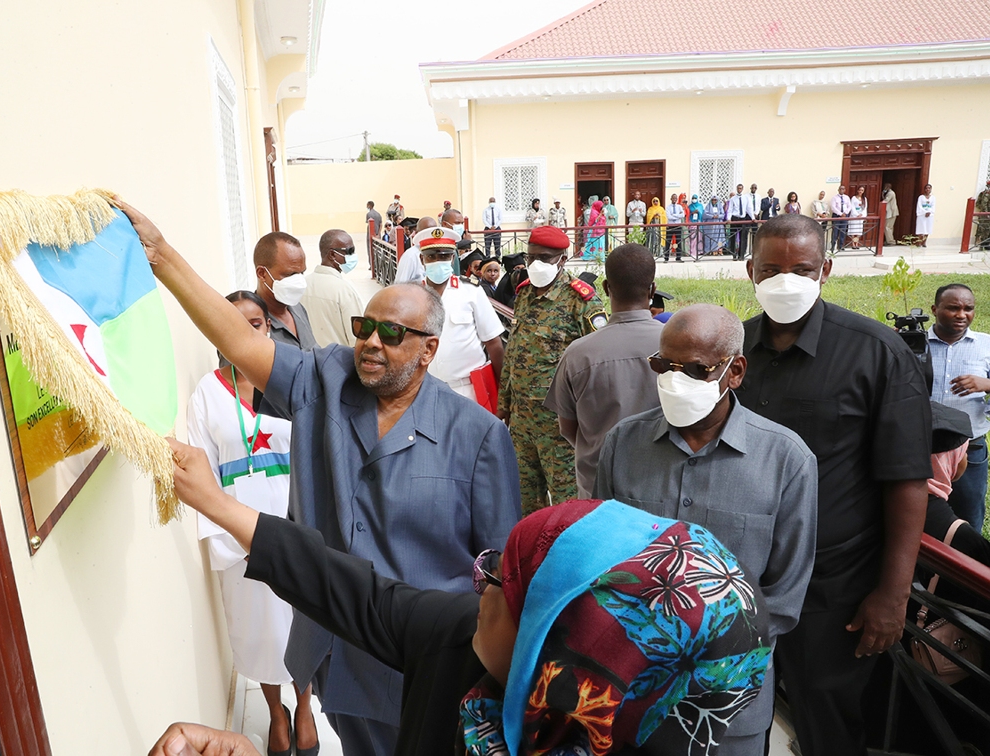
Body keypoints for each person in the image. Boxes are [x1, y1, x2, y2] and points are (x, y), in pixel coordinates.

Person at [115, 199, 522, 756]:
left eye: (391, 334)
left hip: (421, 671)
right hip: (334, 653)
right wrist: (160, 256)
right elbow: (239, 342)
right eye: (365, 327)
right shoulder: (325, 378)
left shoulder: (477, 438)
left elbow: (500, 581)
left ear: (429, 350)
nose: (371, 343)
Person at [154, 460, 774, 756]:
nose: (478, 584)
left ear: (560, 645)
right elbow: (360, 594)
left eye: (501, 578)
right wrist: (217, 503)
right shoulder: (460, 642)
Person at [735, 213, 932, 756]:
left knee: (827, 712)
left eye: (801, 269)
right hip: (745, 575)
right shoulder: (735, 352)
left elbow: (907, 481)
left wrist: (892, 596)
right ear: (750, 270)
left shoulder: (876, 352)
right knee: (751, 703)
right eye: (771, 269)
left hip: (834, 582)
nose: (785, 281)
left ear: (825, 270)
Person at [596, 304, 818, 756]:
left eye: (696, 370)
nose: (675, 380)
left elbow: (784, 595)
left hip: (730, 707)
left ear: (735, 372)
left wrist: (712, 659)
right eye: (664, 366)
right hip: (630, 694)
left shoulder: (786, 461)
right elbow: (601, 561)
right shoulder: (622, 444)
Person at [187, 290, 318, 756]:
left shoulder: (296, 382)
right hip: (239, 534)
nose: (246, 332)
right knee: (259, 632)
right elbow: (201, 471)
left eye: (256, 324)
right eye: (234, 323)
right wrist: (230, 539)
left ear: (269, 329)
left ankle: (304, 708)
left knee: (301, 622)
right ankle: (275, 714)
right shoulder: (206, 392)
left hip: (296, 526)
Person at [499, 225, 604, 514]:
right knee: (525, 500)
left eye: (545, 258)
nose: (536, 264)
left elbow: (596, 360)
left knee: (567, 503)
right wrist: (503, 404)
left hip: (559, 424)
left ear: (563, 259)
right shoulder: (523, 294)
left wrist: (587, 417)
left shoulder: (580, 300)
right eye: (531, 257)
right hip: (522, 422)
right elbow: (514, 352)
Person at [544, 243, 662, 498]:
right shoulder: (675, 346)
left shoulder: (578, 353)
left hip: (598, 490)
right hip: (661, 488)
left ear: (607, 287)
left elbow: (568, 428)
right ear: (652, 289)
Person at [416, 227, 505, 406]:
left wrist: (503, 394)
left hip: (468, 390)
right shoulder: (412, 295)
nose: (437, 261)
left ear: (453, 258)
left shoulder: (471, 291)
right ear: (422, 259)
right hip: (423, 390)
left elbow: (494, 343)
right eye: (431, 256)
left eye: (444, 256)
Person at [928, 283, 990, 529]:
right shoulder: (914, 343)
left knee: (969, 517)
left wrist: (986, 383)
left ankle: (967, 566)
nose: (962, 315)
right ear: (935, 309)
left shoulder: (986, 345)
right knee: (922, 516)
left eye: (968, 309)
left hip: (970, 448)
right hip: (923, 448)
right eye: (953, 308)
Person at [253, 232, 317, 352]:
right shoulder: (250, 325)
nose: (298, 282)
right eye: (290, 274)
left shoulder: (298, 309)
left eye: (301, 273)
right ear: (262, 273)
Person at [301, 229, 365, 348]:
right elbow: (357, 338)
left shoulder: (303, 285)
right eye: (350, 251)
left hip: (308, 360)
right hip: (338, 362)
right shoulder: (344, 290)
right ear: (332, 254)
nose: (353, 256)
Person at [393, 216, 436, 284]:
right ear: (417, 233)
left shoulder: (440, 254)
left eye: (433, 232)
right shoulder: (410, 256)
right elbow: (400, 286)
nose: (431, 235)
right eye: (426, 232)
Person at [726, 184, 751, 261]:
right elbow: (730, 209)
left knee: (742, 237)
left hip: (742, 218)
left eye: (740, 188)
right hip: (734, 218)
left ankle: (741, 255)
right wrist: (729, 218)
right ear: (737, 189)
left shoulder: (745, 198)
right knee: (733, 236)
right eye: (738, 188)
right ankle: (734, 255)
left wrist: (753, 217)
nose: (739, 190)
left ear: (742, 189)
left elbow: (748, 208)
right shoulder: (733, 199)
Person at [830, 185, 852, 252]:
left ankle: (840, 246)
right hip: (837, 216)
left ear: (845, 190)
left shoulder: (847, 197)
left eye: (843, 189)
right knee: (835, 232)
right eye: (840, 189)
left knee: (843, 232)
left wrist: (845, 213)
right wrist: (840, 214)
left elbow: (849, 206)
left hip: (845, 216)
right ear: (838, 190)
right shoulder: (834, 198)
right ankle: (833, 246)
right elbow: (833, 207)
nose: (842, 190)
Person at [665, 193, 685, 262]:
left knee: (678, 242)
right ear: (671, 199)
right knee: (668, 242)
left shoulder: (679, 207)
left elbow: (682, 215)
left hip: (678, 226)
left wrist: (674, 215)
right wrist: (677, 215)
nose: (674, 200)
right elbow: (669, 217)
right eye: (673, 198)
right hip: (670, 226)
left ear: (677, 199)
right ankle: (666, 258)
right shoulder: (668, 207)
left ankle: (678, 257)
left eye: (675, 198)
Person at [687, 193, 704, 257]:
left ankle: (699, 251)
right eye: (693, 198)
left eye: (695, 198)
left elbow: (702, 213)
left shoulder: (700, 205)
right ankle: (692, 251)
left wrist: (698, 212)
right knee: (693, 238)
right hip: (692, 223)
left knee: (699, 237)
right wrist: (692, 212)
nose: (694, 199)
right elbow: (688, 214)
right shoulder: (690, 206)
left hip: (698, 223)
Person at [975, 178, 990, 249]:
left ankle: (986, 244)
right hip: (986, 215)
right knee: (985, 230)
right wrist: (986, 213)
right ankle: (983, 245)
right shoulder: (987, 193)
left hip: (986, 214)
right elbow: (983, 205)